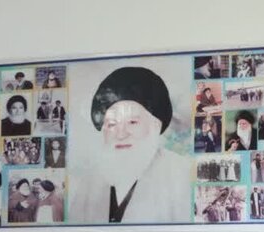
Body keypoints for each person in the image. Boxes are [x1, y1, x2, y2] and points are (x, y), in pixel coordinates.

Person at [68, 66, 192, 223]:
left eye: (132, 122)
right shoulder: (91, 181)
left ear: (156, 125)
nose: (121, 134)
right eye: (112, 124)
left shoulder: (183, 175)